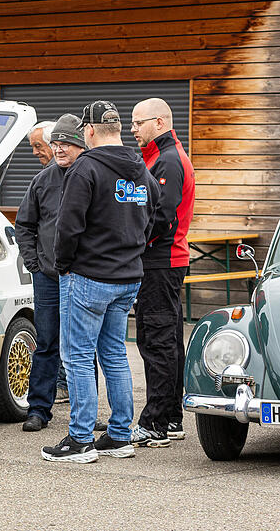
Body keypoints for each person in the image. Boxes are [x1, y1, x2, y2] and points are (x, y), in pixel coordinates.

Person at [42, 100, 159, 463]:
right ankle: (121, 435)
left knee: (77, 356)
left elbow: (68, 226)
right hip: (128, 277)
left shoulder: (85, 167)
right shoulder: (140, 167)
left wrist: (63, 265)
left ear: (88, 131)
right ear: (119, 129)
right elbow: (156, 212)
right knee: (114, 355)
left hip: (89, 275)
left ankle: (80, 441)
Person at [130, 97, 196, 447]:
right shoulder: (160, 156)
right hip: (164, 261)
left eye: (138, 123)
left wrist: (128, 243)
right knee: (167, 339)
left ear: (158, 122)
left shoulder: (168, 159)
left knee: (157, 340)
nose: (133, 129)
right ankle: (170, 418)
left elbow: (161, 217)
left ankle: (155, 422)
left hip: (161, 261)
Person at [16, 114, 87, 432]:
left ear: (79, 145)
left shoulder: (92, 175)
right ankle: (39, 409)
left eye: (65, 143)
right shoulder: (42, 181)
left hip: (85, 276)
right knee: (46, 342)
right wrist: (34, 263)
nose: (58, 149)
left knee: (85, 345)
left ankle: (86, 411)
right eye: (55, 144)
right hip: (48, 277)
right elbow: (25, 225)